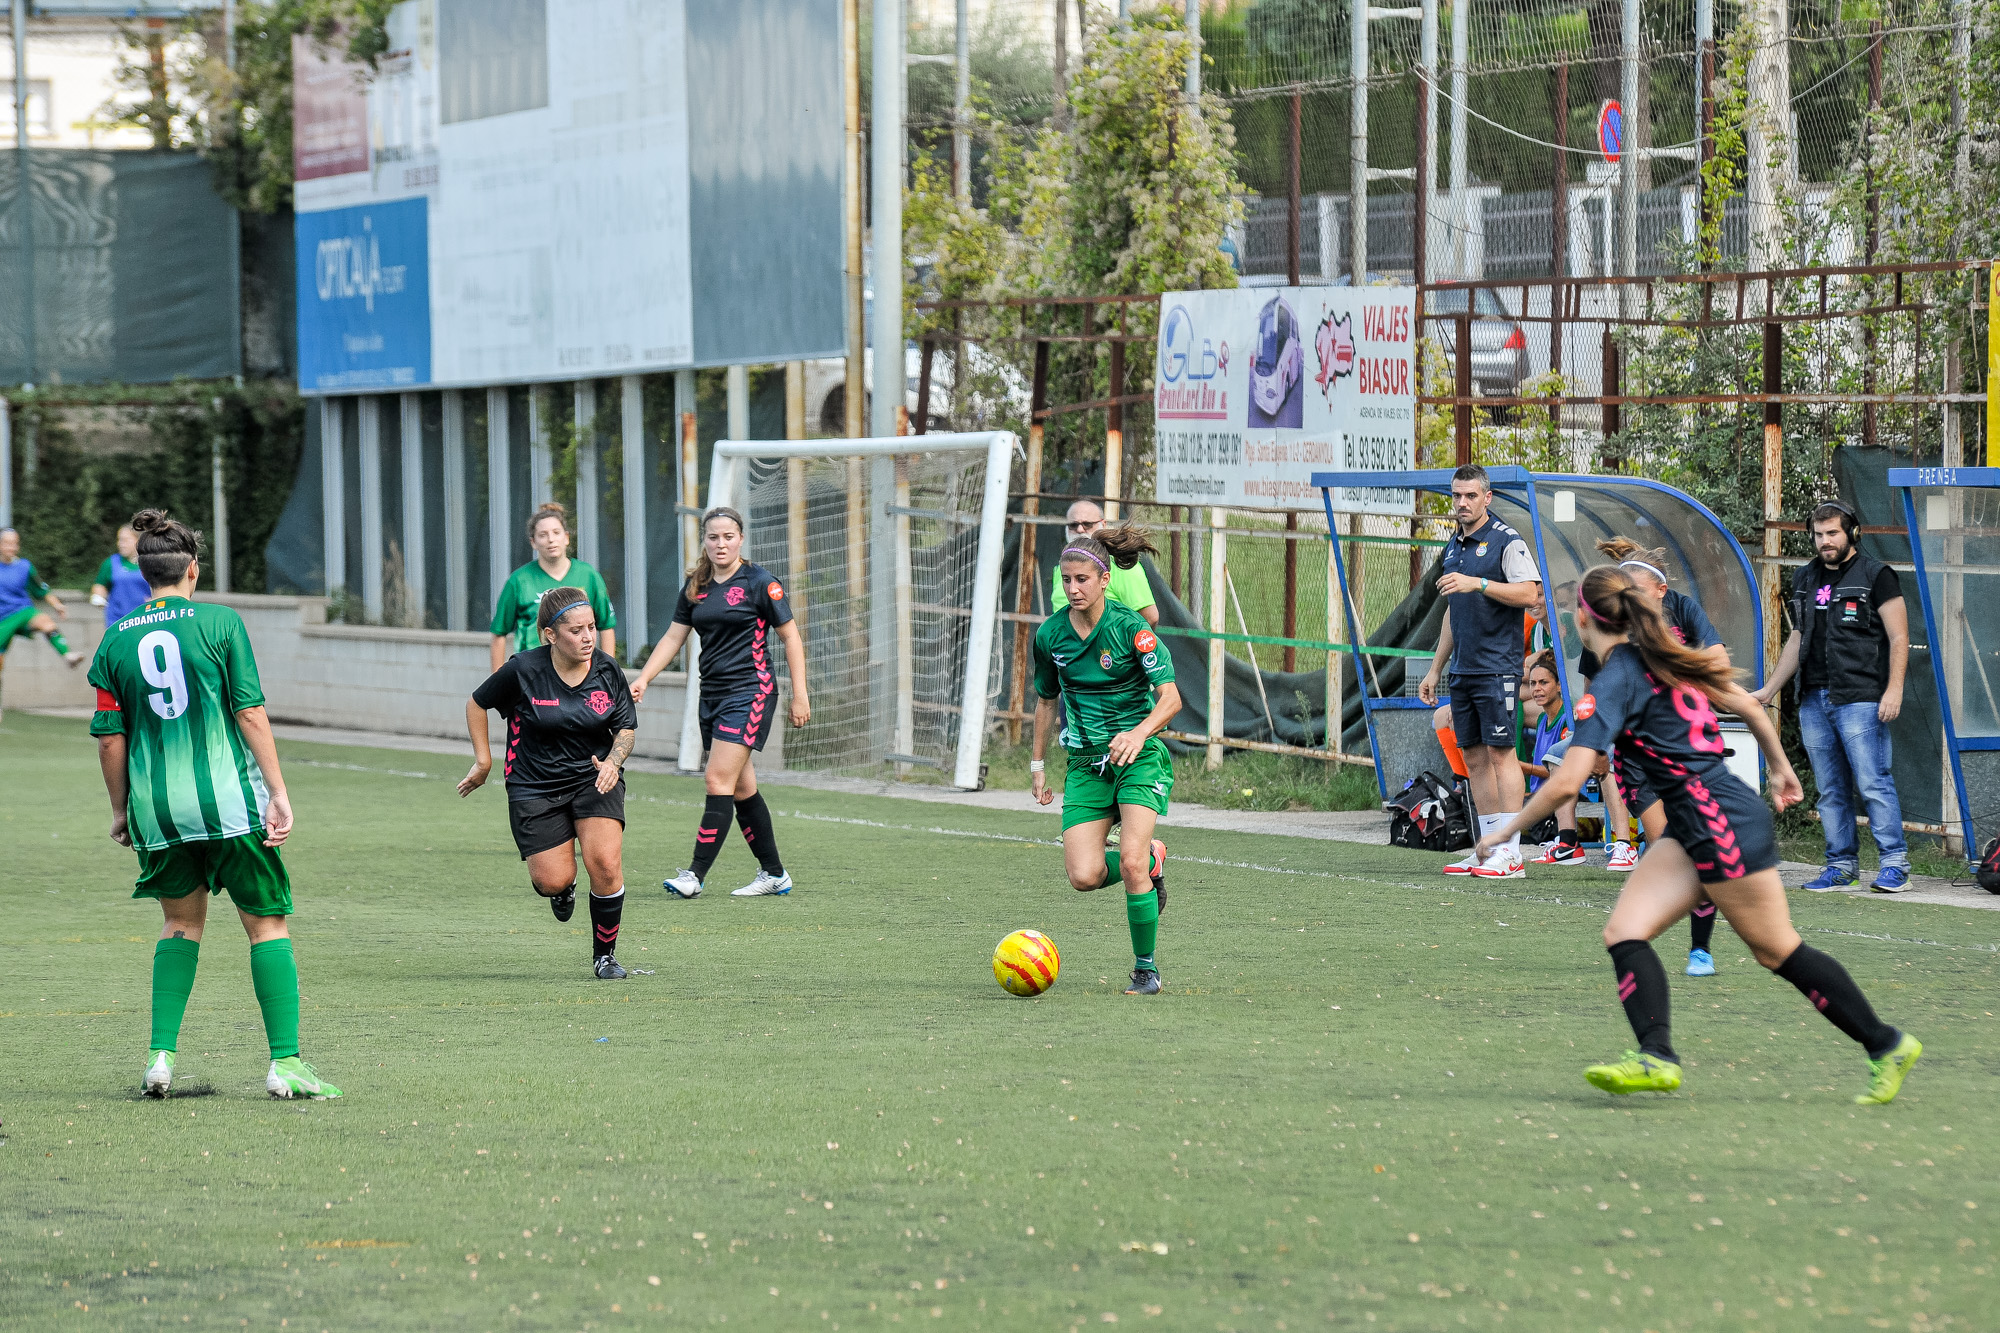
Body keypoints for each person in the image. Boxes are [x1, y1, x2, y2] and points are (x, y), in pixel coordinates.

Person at [1474, 565, 1921, 1105]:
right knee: (1625, 932)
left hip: (1717, 822)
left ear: (1582, 615)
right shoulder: (1661, 656)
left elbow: (1568, 781)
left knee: (1777, 950)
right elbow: (1749, 704)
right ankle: (1656, 1057)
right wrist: (1781, 767)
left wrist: (1505, 831)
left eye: (1569, 602)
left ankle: (1886, 1043)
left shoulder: (1616, 677)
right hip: (1698, 820)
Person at [86, 509, 339, 1100]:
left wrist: (122, 811)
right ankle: (285, 1065)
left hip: (159, 812)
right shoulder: (221, 623)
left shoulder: (114, 639)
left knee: (178, 924)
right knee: (266, 924)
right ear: (192, 570)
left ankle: (160, 1059)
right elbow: (249, 711)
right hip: (229, 805)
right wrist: (278, 793)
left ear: (144, 573)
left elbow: (109, 737)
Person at [633, 507, 811, 899]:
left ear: (740, 539)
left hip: (751, 691)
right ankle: (775, 873)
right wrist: (644, 677)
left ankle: (694, 876)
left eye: (728, 536)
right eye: (713, 537)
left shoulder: (760, 582)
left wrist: (801, 694)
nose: (721, 543)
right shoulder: (696, 585)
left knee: (716, 779)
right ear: (705, 541)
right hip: (711, 694)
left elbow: (791, 638)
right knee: (741, 788)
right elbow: (673, 637)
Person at [463, 586, 639, 979]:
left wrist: (613, 761)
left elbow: (625, 727)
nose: (588, 637)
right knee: (550, 880)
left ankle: (605, 955)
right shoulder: (523, 670)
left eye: (592, 627)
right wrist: (483, 760)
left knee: (606, 865)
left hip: (593, 779)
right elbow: (477, 703)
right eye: (577, 630)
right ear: (550, 635)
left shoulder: (608, 671)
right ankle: (562, 890)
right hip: (533, 785)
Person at [1031, 527, 1178, 995]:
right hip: (1085, 764)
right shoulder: (1050, 634)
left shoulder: (1130, 628)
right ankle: (1154, 862)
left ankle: (1145, 969)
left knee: (1129, 861)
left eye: (1082, 580)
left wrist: (1137, 734)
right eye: (1066, 580)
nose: (1073, 589)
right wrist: (1037, 767)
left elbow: (1171, 699)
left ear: (1104, 578)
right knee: (1085, 876)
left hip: (1140, 759)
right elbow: (1045, 702)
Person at [1752, 501, 1913, 893]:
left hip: (1861, 696)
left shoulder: (1878, 575)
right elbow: (1797, 637)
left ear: (1852, 533)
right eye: (1819, 535)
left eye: (1833, 533)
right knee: (1830, 789)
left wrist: (1893, 689)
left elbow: (1899, 637)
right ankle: (1841, 865)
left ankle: (1895, 864)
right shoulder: (1805, 577)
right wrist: (1769, 690)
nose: (1825, 541)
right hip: (1812, 697)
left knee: (1873, 782)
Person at [1416, 465, 1545, 879]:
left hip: (1497, 668)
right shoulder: (1454, 546)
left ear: (1487, 498)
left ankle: (1512, 851)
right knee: (1472, 758)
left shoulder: (1507, 540)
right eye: (1456, 496)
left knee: (1501, 754)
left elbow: (1529, 593)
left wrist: (1480, 584)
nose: (1462, 503)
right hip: (1463, 670)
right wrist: (1435, 668)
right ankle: (1488, 848)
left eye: (1470, 496)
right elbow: (1454, 613)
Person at [1580, 537, 1728, 875]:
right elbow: (1592, 689)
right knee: (1664, 846)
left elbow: (1717, 658)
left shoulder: (1683, 608)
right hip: (1633, 744)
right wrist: (1595, 745)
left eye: (1638, 592)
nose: (1629, 601)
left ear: (1661, 591)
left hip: (1682, 737)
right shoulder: (1611, 619)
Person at [490, 502, 617, 670]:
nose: (551, 540)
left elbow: (606, 626)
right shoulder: (519, 580)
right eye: (543, 535)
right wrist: (498, 683)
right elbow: (499, 633)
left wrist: (608, 672)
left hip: (580, 673)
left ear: (566, 537)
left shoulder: (588, 575)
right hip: (533, 672)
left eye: (556, 533)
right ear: (533, 542)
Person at [0, 527, 85, 714]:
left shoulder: (24, 567)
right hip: (2, 621)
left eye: (15, 543)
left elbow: (41, 589)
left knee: (46, 622)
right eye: (7, 543)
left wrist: (57, 605)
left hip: (22, 612)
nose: (11, 547)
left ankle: (67, 655)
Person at [1517, 651, 1585, 866]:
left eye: (1544, 682)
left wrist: (1521, 767)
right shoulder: (1541, 720)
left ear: (1559, 685)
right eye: (1533, 683)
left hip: (1570, 794)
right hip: (1544, 795)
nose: (1537, 689)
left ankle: (1565, 841)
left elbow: (1558, 769)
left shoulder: (1568, 718)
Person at [1050, 500, 1160, 626]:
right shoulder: (1062, 569)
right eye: (1073, 525)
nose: (1080, 529)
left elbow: (1150, 617)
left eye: (1087, 524)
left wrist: (1117, 643)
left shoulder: (1121, 566)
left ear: (1103, 524)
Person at [91, 524, 153, 627]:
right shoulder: (111, 563)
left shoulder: (151, 562)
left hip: (145, 619)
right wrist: (98, 597)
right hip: (117, 621)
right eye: (119, 540)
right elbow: (100, 585)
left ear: (138, 541)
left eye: (125, 540)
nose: (120, 544)